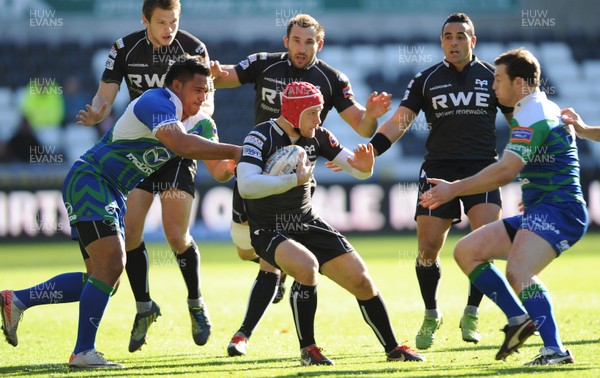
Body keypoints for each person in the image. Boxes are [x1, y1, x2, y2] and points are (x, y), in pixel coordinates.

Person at [0, 56, 240, 368]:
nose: (204, 97)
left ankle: (17, 300)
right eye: (198, 89)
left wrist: (240, 164)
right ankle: (83, 352)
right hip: (91, 180)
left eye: (208, 91)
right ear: (177, 86)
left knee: (103, 278)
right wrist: (236, 150)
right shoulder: (156, 101)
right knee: (113, 263)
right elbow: (179, 144)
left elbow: (220, 171)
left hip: (112, 190)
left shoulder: (202, 123)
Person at [212, 13, 392, 356]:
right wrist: (208, 75)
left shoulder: (331, 81)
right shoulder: (264, 65)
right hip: (257, 174)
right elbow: (222, 79)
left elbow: (362, 130)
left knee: (284, 261)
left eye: (309, 42)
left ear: (319, 45)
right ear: (286, 41)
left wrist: (370, 116)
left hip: (295, 191)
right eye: (296, 40)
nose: (302, 47)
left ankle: (245, 336)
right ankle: (266, 304)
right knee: (248, 252)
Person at [420, 48, 588, 365]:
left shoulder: (532, 114)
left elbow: (505, 170)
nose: (492, 86)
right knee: (467, 250)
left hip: (560, 210)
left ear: (521, 83)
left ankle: (554, 351)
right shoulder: (535, 109)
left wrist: (453, 189)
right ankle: (517, 319)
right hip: (543, 208)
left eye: (498, 79)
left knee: (519, 271)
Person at [237, 81, 423, 366]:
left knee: (361, 280)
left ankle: (393, 347)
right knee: (306, 267)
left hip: (307, 221)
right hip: (268, 227)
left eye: (320, 112)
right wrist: (291, 180)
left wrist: (366, 164)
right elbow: (247, 186)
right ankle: (308, 350)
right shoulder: (260, 136)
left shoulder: (319, 136)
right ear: (294, 113)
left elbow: (359, 170)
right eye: (312, 113)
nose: (319, 119)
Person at [76, 0, 217, 352]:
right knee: (132, 235)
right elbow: (105, 94)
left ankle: (195, 303)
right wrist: (98, 112)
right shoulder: (125, 48)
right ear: (145, 20)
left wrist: (192, 128)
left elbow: (206, 100)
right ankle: (144, 307)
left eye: (174, 21)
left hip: (177, 147)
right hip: (141, 152)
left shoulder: (193, 48)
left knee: (175, 234)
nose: (169, 28)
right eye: (162, 22)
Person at [367, 12, 513, 349]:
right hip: (438, 170)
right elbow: (400, 121)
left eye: (461, 36)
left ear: (472, 41)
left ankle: (472, 311)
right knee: (427, 249)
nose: (454, 42)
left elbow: (518, 119)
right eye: (448, 36)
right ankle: (432, 313)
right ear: (442, 42)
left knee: (484, 244)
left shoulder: (493, 77)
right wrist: (371, 150)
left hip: (483, 171)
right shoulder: (426, 79)